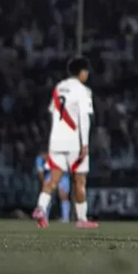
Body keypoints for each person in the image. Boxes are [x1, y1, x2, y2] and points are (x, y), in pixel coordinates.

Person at [32, 55, 98, 229]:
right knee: (79, 180)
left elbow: (53, 112)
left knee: (53, 178)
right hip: (74, 141)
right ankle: (82, 219)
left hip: (56, 141)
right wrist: (85, 143)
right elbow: (84, 118)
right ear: (82, 72)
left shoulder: (59, 87)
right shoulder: (83, 91)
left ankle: (40, 207)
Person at [34, 152, 70, 223]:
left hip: (64, 175)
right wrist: (44, 182)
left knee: (63, 196)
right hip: (49, 175)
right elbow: (40, 172)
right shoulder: (39, 158)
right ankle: (44, 217)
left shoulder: (62, 154)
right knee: (47, 195)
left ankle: (66, 218)